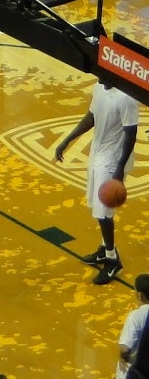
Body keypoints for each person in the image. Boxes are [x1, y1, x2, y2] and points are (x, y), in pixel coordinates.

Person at [57, 73, 140, 285]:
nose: (96, 74)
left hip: (113, 159)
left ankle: (112, 260)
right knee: (96, 205)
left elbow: (131, 134)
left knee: (103, 213)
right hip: (98, 153)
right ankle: (105, 248)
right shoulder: (99, 87)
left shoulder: (126, 97)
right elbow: (92, 116)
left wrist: (120, 168)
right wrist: (67, 139)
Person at [118, 274, 149, 379]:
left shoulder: (135, 316)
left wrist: (122, 358)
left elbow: (125, 348)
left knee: (121, 369)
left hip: (139, 369)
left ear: (140, 295)